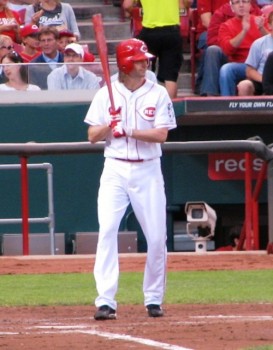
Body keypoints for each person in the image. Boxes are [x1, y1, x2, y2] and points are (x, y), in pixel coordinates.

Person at [84, 38, 176, 320]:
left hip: (147, 169)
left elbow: (162, 134)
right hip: (115, 168)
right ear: (125, 63)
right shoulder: (105, 94)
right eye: (139, 59)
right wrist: (110, 126)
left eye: (145, 58)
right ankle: (105, 301)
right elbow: (91, 137)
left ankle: (153, 299)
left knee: (158, 237)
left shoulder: (158, 93)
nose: (145, 62)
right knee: (108, 231)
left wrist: (130, 129)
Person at [200, 0, 266, 96]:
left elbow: (270, 41)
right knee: (226, 69)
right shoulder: (226, 25)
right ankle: (226, 105)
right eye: (237, 2)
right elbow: (227, 49)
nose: (241, 5)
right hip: (240, 64)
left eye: (244, 1)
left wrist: (262, 29)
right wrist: (244, 31)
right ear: (232, 7)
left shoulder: (259, 20)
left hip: (260, 64)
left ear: (250, 4)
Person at [123, 0, 183, 99]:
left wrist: (132, 11)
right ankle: (170, 109)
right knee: (170, 76)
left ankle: (144, 104)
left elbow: (127, 5)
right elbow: (186, 3)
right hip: (171, 31)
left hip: (149, 31)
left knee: (143, 71)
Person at [237, 10, 273, 95]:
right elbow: (249, 71)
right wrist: (265, 80)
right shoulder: (259, 43)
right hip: (261, 80)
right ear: (269, 26)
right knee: (244, 85)